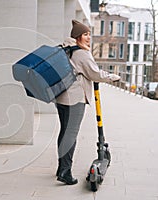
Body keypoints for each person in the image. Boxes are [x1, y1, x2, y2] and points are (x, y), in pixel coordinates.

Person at [55, 19, 120, 185]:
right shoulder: (81, 53)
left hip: (61, 97)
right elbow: (95, 74)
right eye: (85, 34)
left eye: (89, 34)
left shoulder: (66, 50)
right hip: (75, 99)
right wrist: (112, 77)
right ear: (77, 37)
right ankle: (65, 172)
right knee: (70, 134)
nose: (88, 38)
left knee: (64, 132)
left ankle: (61, 167)